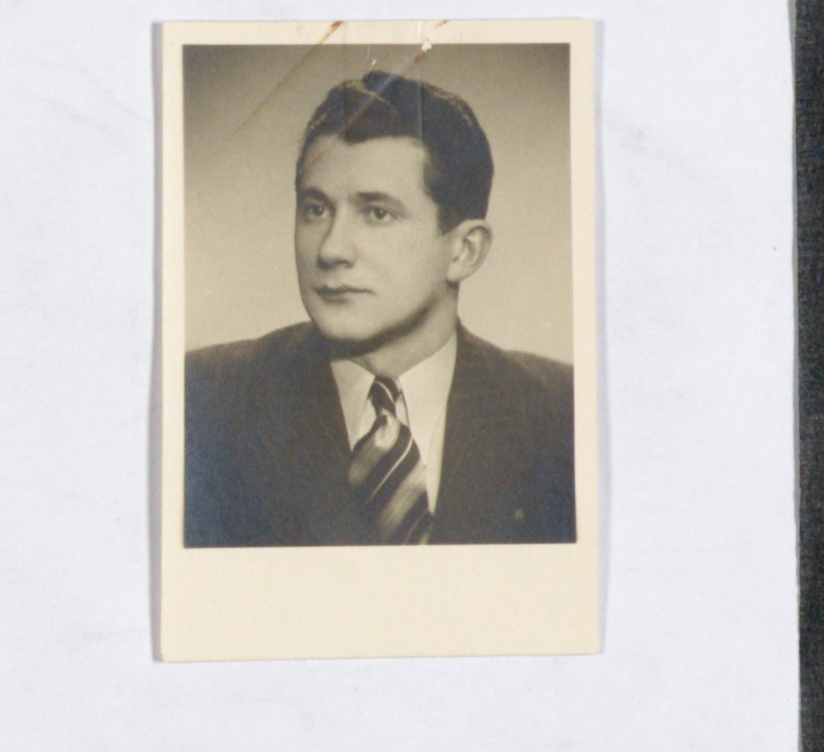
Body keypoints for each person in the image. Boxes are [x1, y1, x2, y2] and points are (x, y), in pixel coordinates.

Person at [184, 70, 575, 547]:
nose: (331, 249)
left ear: (464, 251)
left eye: (377, 213)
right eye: (316, 209)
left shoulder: (563, 413)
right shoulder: (202, 401)